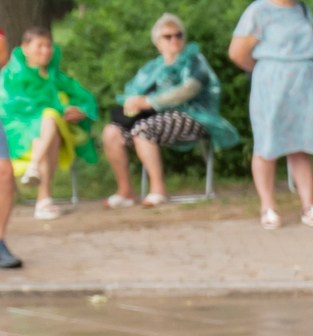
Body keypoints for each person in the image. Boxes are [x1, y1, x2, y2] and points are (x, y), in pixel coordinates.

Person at [230, 0, 313, 228]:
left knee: (301, 143)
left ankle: (308, 205)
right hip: (271, 84)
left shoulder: (303, 9)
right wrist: (265, 72)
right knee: (267, 142)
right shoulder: (258, 12)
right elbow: (238, 52)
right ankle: (268, 207)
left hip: (303, 85)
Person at [101, 15, 238, 206]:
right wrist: (133, 102)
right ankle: (126, 191)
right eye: (168, 36)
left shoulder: (195, 61)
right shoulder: (151, 68)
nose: (174, 40)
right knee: (111, 132)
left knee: (143, 129)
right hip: (154, 118)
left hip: (194, 116)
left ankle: (158, 189)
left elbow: (187, 91)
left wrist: (149, 101)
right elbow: (132, 92)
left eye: (178, 35)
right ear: (157, 42)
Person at [2, 27, 100, 220]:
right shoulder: (10, 75)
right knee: (48, 120)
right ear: (25, 48)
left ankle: (35, 168)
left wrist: (79, 110)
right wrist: (51, 112)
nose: (46, 51)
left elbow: (85, 98)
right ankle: (43, 199)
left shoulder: (57, 77)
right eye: (40, 46)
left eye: (48, 45)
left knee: (49, 120)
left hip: (52, 133)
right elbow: (7, 106)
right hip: (17, 134)